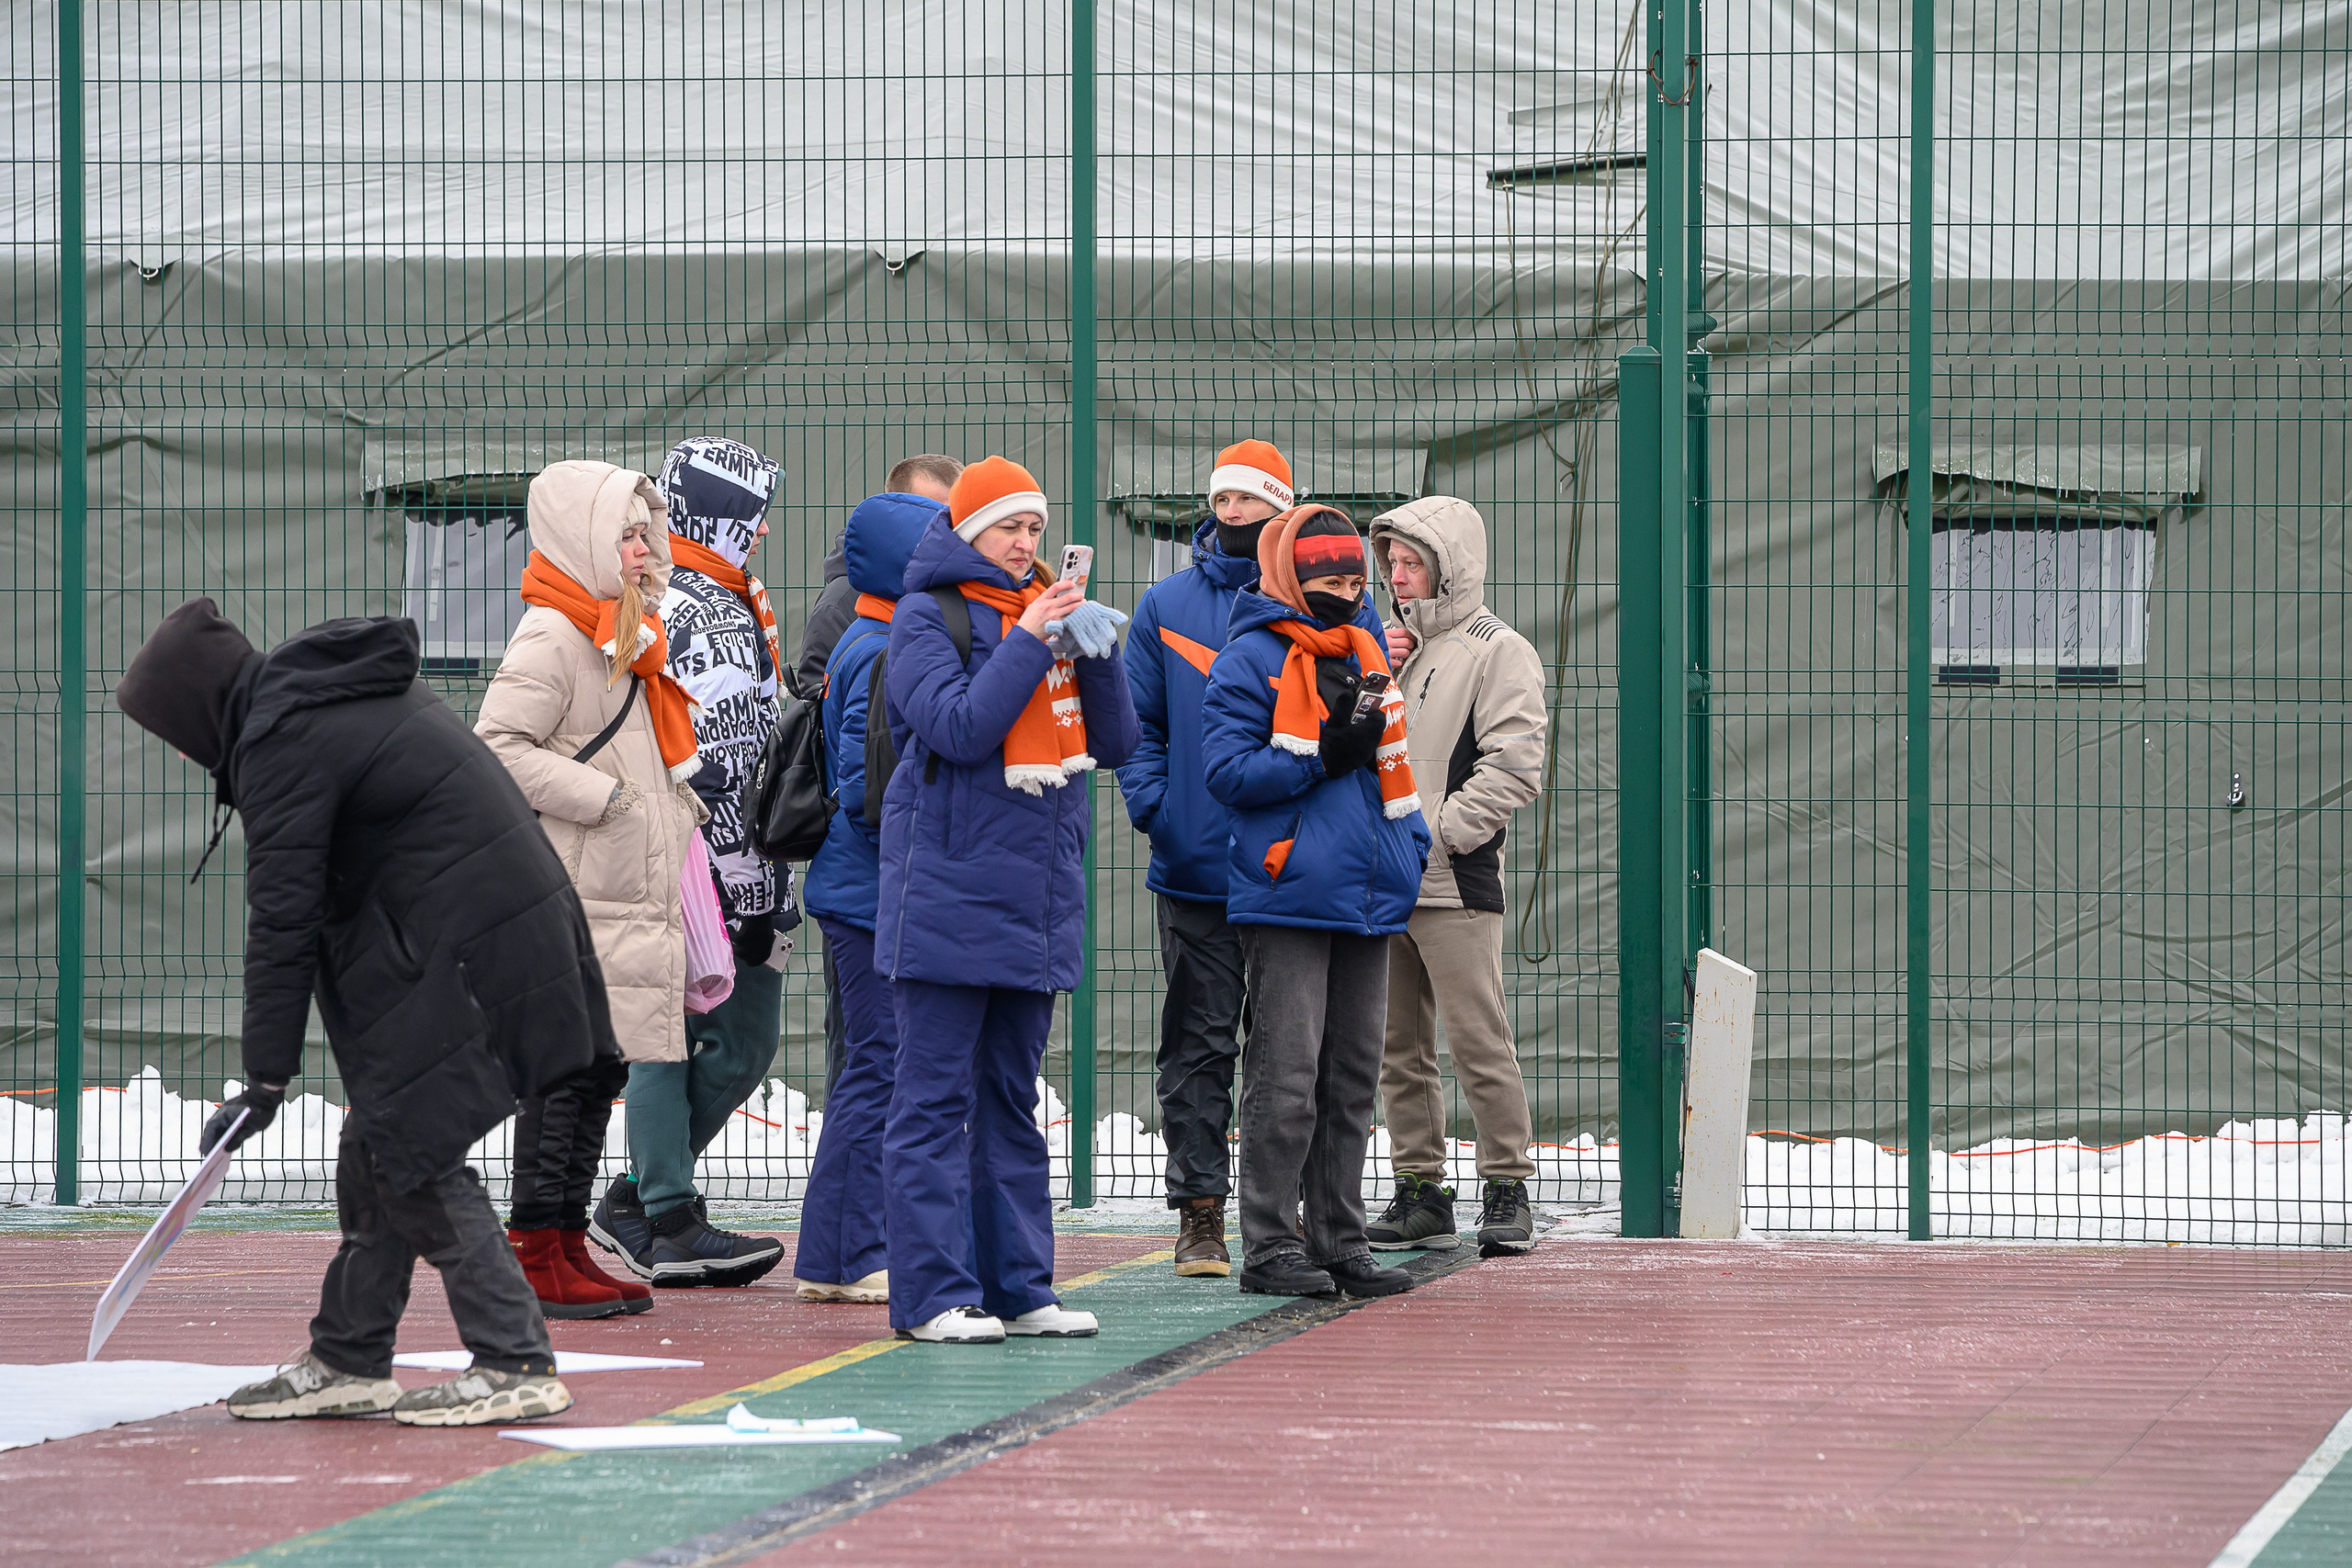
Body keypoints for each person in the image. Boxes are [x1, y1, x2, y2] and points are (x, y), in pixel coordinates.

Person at [117, 599, 595, 1427]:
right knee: (376, 1139)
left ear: (195, 710)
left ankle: (514, 1356)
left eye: (172, 730)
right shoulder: (323, 701)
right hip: (495, 935)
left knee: (413, 1151)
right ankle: (349, 1353)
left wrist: (264, 1078)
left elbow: (284, 917)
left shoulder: (282, 738)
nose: (183, 750)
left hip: (466, 949)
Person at [474, 462, 767, 1292]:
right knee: (566, 1077)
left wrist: (671, 808)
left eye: (646, 534)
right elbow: (497, 749)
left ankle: (568, 1242)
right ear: (582, 539)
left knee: (601, 1069)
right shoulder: (555, 634)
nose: (640, 550)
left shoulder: (625, 632)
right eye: (623, 536)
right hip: (581, 886)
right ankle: (538, 1253)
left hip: (626, 887)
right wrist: (612, 801)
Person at [876, 456, 1140, 1343]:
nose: (1025, 543)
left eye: (1033, 528)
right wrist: (1031, 638)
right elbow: (958, 728)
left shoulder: (1037, 617)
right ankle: (931, 1297)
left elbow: (1116, 742)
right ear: (964, 531)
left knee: (1012, 1102)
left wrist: (1094, 652)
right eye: (1007, 528)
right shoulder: (927, 615)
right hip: (948, 899)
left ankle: (1022, 1286)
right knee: (929, 1104)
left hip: (1033, 903)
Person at [581, 439, 798, 1285]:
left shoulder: (744, 599)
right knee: (664, 1035)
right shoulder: (653, 602)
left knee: (744, 1044)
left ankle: (633, 1200)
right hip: (685, 860)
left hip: (755, 860)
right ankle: (663, 1209)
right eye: (753, 514)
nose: (765, 529)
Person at [1200, 505, 1430, 1300]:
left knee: (1353, 1074)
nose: (1345, 591)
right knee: (1286, 1073)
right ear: (1290, 579)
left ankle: (1339, 1236)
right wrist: (1323, 755)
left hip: (1366, 892)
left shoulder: (1368, 651)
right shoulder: (1249, 659)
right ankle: (1269, 1243)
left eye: (1354, 579)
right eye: (1327, 579)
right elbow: (1226, 774)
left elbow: (1390, 771)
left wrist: (1412, 845)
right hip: (1291, 891)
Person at [1115, 439, 1296, 1278]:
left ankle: (1280, 1214)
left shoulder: (1312, 603)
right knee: (1197, 1045)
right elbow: (1136, 728)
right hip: (1193, 869)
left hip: (1291, 872)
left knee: (1287, 1048)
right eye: (1222, 499)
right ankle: (1200, 1216)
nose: (1232, 514)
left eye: (1250, 502)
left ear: (1281, 508)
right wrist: (1158, 808)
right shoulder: (1164, 606)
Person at [1365, 498, 1550, 1256]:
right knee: (1393, 1046)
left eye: (1414, 563)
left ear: (1451, 566)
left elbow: (1515, 765)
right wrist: (1385, 666)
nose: (1400, 577)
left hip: (1453, 881)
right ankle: (1420, 1189)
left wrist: (1437, 838)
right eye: (1393, 564)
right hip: (1382, 883)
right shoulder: (1393, 648)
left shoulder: (1498, 649)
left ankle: (1507, 1186)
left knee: (1478, 1039)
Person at [795, 488, 946, 1303]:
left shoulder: (875, 635)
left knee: (874, 1065)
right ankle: (849, 1252)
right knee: (878, 1067)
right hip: (869, 893)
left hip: (866, 889)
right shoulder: (882, 646)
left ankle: (832, 1252)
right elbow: (867, 790)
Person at [798, 455, 963, 1102]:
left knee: (885, 1061)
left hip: (881, 876)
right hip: (871, 875)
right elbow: (860, 760)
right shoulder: (864, 617)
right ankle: (849, 1199)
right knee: (871, 1063)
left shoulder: (911, 613)